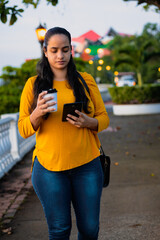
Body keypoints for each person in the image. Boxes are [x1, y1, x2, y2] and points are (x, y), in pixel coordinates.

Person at [18, 27, 110, 240]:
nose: (60, 55)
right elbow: (23, 129)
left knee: (89, 229)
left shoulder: (85, 80)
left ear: (71, 51)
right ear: (45, 51)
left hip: (87, 165)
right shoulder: (33, 85)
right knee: (59, 230)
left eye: (65, 50)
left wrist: (89, 122)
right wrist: (37, 113)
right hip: (49, 169)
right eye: (54, 50)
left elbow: (104, 118)